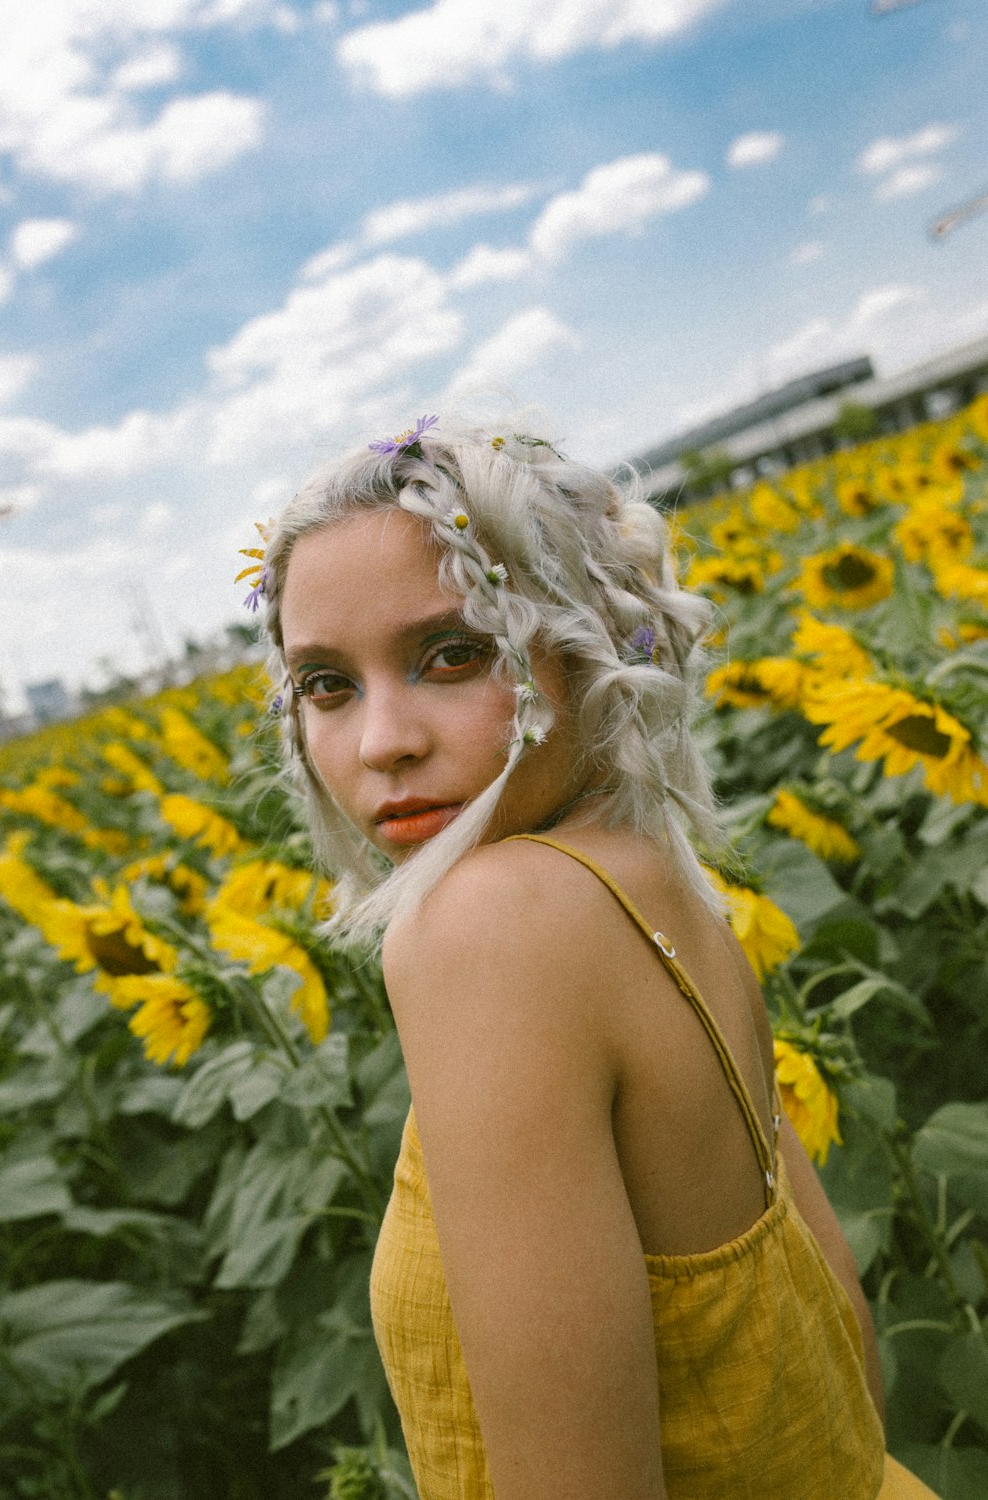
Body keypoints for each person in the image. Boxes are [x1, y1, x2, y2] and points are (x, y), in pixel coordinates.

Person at [258, 414, 937, 1500]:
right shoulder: (660, 884)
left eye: (453, 654)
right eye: (327, 685)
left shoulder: (490, 928)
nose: (381, 739)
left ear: (583, 646)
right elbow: (843, 1334)